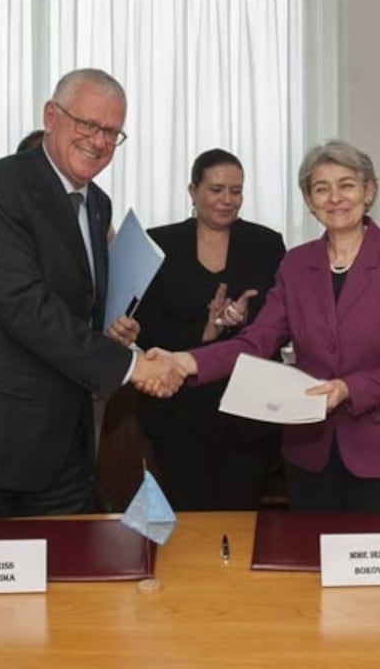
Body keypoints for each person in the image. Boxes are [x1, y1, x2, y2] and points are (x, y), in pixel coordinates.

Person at [0, 68, 180, 520]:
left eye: (112, 133)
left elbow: (74, 308)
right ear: (51, 116)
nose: (98, 141)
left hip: (61, 449)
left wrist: (113, 331)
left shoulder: (97, 204)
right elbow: (25, 307)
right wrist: (134, 365)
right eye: (88, 125)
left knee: (64, 583)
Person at [146, 140, 380, 513]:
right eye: (321, 188)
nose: (335, 198)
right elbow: (256, 342)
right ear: (308, 199)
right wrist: (186, 361)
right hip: (311, 453)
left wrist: (350, 389)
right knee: (311, 566)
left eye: (346, 184)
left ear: (369, 190)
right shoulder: (297, 265)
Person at [131, 149, 286, 510]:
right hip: (177, 411)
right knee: (189, 514)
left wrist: (245, 320)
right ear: (192, 190)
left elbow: (283, 320)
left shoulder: (267, 244)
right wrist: (202, 335)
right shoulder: (158, 244)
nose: (227, 200)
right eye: (216, 189)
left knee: (241, 514)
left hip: (250, 413)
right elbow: (142, 327)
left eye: (236, 190)